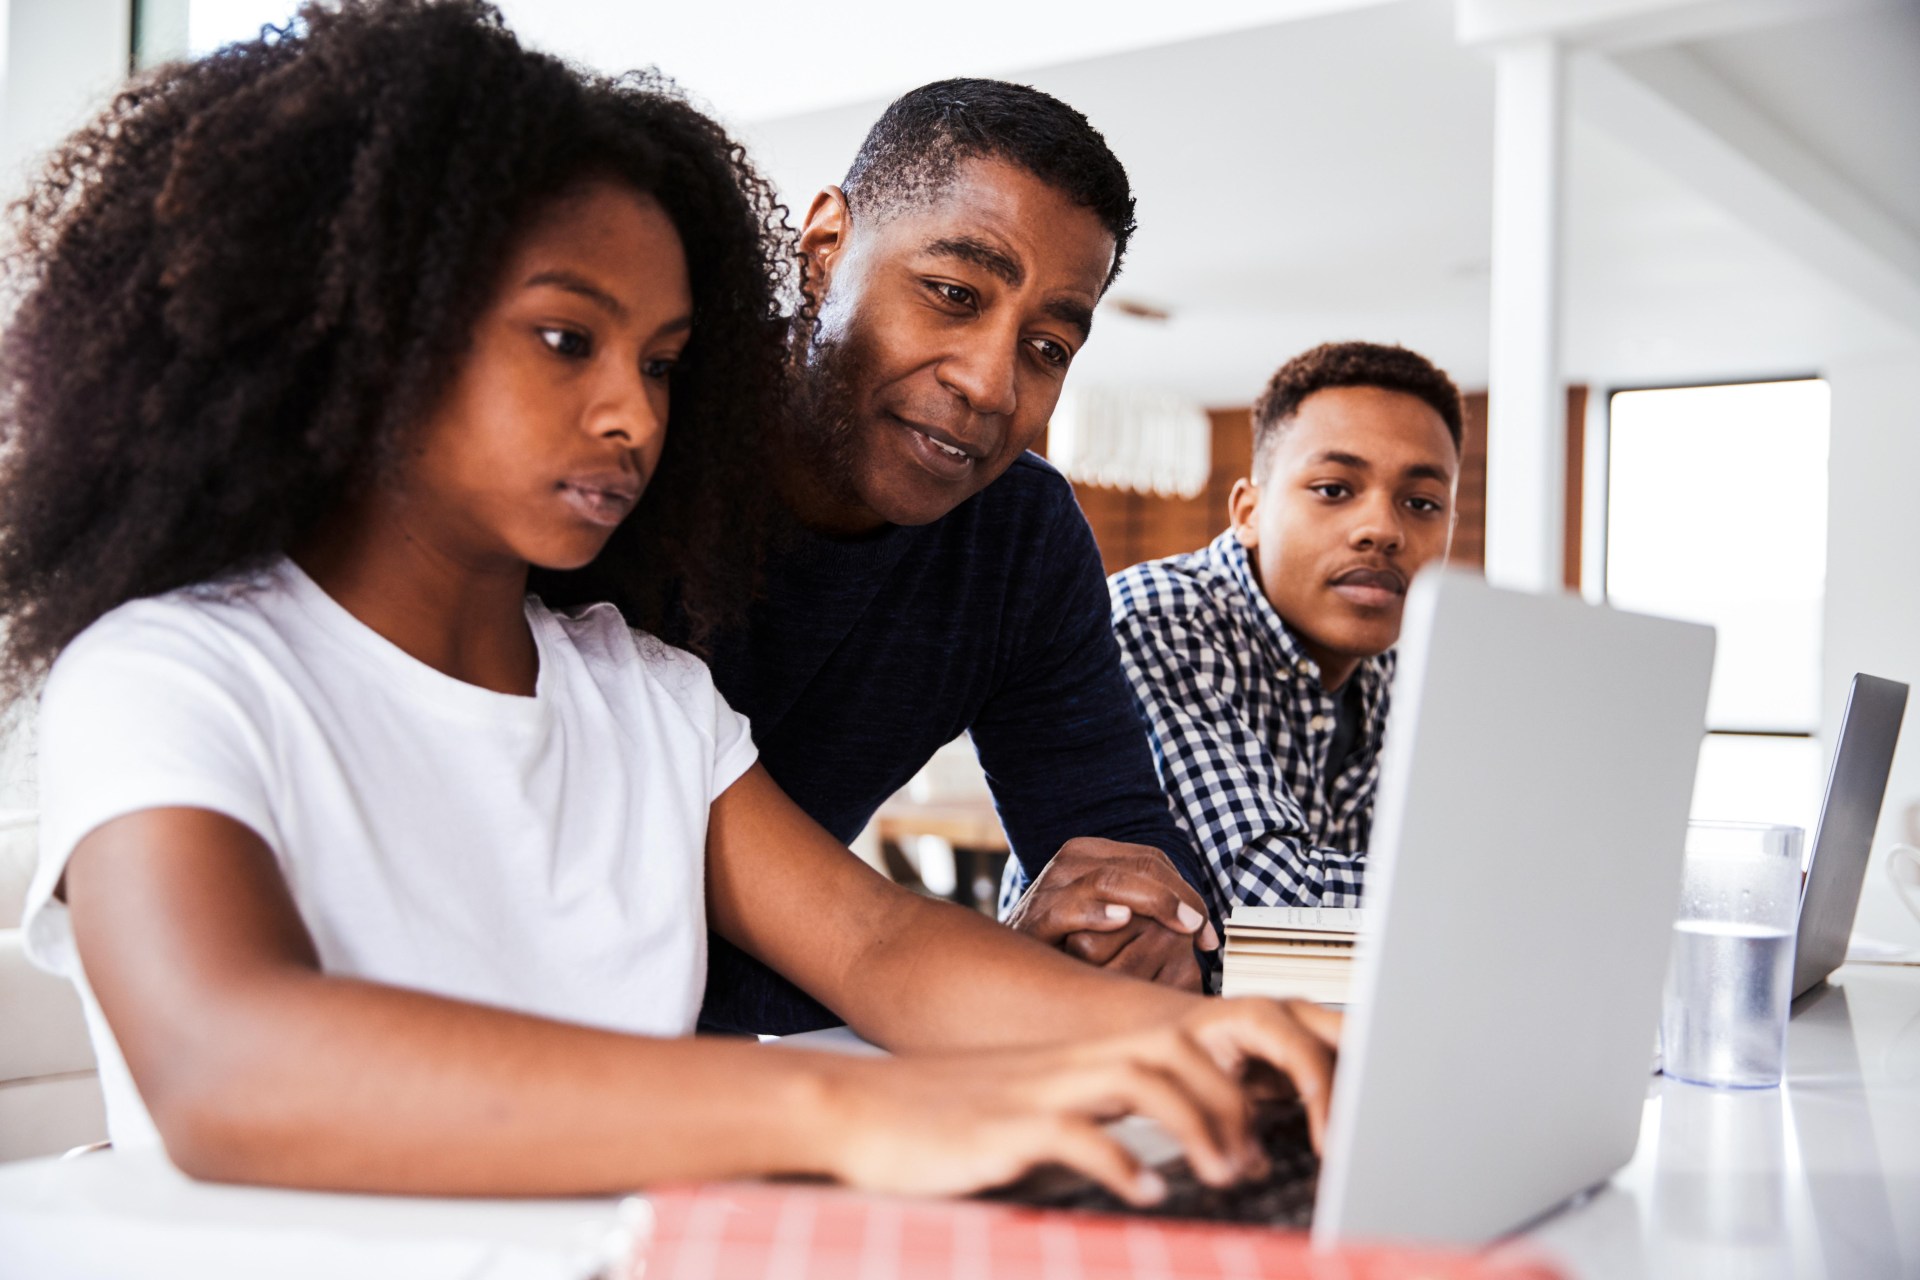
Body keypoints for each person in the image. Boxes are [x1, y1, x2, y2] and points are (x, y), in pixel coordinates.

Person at [2, 0, 1337, 1201]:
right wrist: (851, 1111)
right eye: (569, 339)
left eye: (665, 359)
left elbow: (883, 950)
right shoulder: (170, 674)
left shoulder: (638, 693)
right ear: (378, 328)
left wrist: (1231, 1038)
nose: (634, 411)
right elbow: (229, 1065)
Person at [665, 79, 1219, 1036]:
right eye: (954, 295)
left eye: (1047, 347)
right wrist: (987, 965)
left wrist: (1134, 927)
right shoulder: (630, 449)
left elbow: (1119, 838)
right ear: (824, 250)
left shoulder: (1020, 542)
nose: (992, 385)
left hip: (763, 1057)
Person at [1108, 342, 1463, 920]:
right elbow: (1263, 906)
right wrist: (1511, 898)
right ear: (1248, 512)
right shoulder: (1161, 620)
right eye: (1333, 489)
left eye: (1421, 502)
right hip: (1118, 1010)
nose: (1382, 529)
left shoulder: (1405, 664)